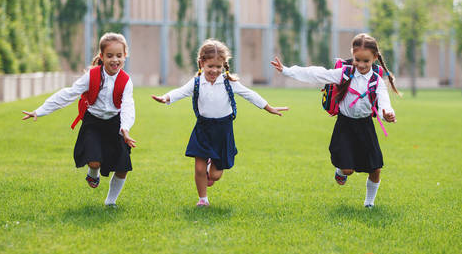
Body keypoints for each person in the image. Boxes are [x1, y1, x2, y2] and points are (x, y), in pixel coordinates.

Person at [152, 39, 288, 207]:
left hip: (223, 131)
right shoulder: (196, 83)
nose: (214, 71)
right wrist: (165, 98)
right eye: (210, 66)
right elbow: (179, 92)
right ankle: (203, 200)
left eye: (218, 67)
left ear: (224, 65)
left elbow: (250, 94)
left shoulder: (228, 82)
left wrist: (269, 107)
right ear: (202, 63)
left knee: (215, 176)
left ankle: (211, 166)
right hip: (203, 129)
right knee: (199, 169)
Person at [271, 33, 400, 208]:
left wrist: (387, 113)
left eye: (366, 61)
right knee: (348, 170)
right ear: (352, 55)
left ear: (375, 58)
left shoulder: (376, 81)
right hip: (345, 125)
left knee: (375, 168)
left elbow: (384, 100)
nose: (361, 65)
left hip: (365, 126)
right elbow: (316, 74)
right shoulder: (344, 73)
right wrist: (287, 70)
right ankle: (341, 171)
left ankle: (369, 203)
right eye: (357, 60)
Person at [22, 32, 136, 208]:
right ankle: (93, 172)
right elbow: (68, 94)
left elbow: (128, 106)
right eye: (110, 56)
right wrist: (41, 111)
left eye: (119, 56)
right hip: (93, 123)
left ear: (125, 56)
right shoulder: (91, 76)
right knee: (94, 161)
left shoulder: (126, 81)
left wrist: (125, 129)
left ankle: (110, 202)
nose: (115, 60)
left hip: (116, 124)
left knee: (122, 167)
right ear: (102, 57)